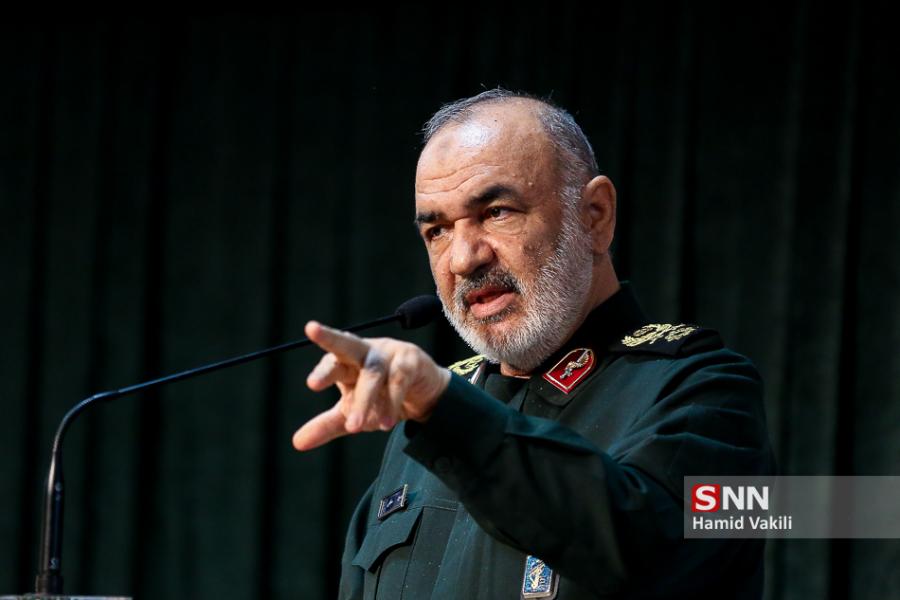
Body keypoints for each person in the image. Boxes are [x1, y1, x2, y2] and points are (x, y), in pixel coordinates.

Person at [292, 89, 775, 599]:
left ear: (595, 215)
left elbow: (649, 549)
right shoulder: (425, 423)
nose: (463, 259)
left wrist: (448, 414)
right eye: (437, 230)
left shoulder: (712, 394)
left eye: (496, 212)